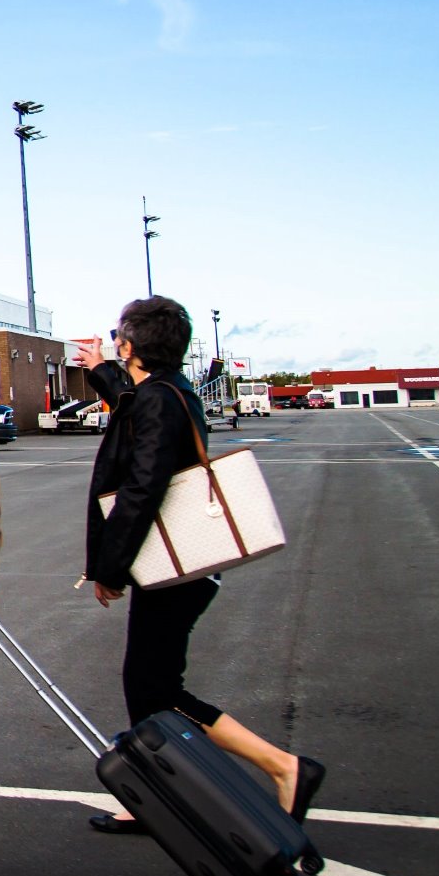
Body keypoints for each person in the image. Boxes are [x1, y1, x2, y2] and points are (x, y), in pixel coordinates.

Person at [74, 296, 325, 835]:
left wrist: (110, 569)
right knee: (149, 686)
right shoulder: (163, 393)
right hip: (180, 570)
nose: (115, 342)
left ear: (131, 343)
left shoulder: (158, 401)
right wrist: (97, 369)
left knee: (158, 690)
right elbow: (128, 400)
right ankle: (156, 792)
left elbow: (143, 490)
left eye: (117, 337)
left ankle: (284, 768)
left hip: (178, 570)